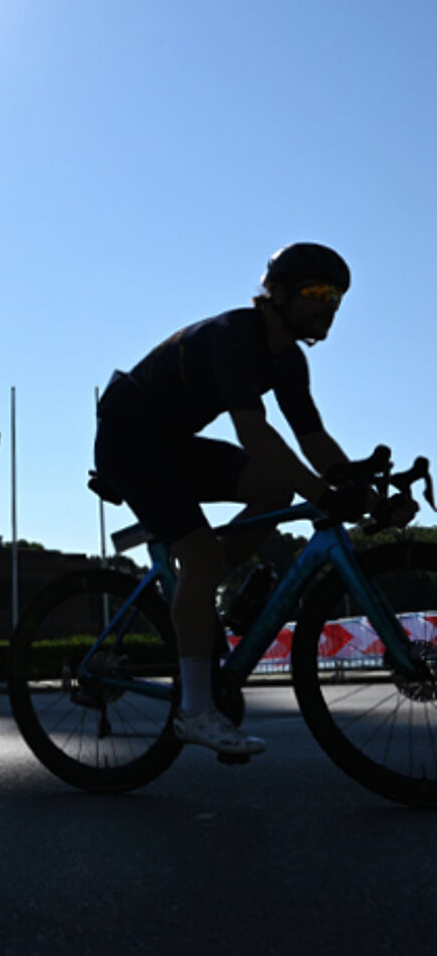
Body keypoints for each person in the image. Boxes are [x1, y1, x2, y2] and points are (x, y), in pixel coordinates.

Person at [93, 243, 367, 759]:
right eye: (317, 293)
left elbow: (313, 437)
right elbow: (254, 434)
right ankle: (195, 711)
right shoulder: (237, 336)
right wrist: (325, 493)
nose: (328, 305)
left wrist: (359, 486)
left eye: (336, 297)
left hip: (171, 444)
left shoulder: (288, 359)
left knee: (272, 489)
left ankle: (206, 583)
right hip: (128, 440)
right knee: (200, 551)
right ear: (278, 293)